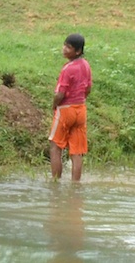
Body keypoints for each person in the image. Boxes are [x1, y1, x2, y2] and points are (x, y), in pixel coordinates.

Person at [48, 33, 92, 181]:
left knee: (55, 147)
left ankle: (55, 182)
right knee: (77, 151)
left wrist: (54, 105)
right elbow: (88, 88)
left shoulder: (67, 69)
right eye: (64, 45)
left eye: (68, 47)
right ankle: (76, 185)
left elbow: (60, 93)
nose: (64, 49)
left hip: (66, 110)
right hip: (81, 109)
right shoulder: (86, 65)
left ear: (77, 51)